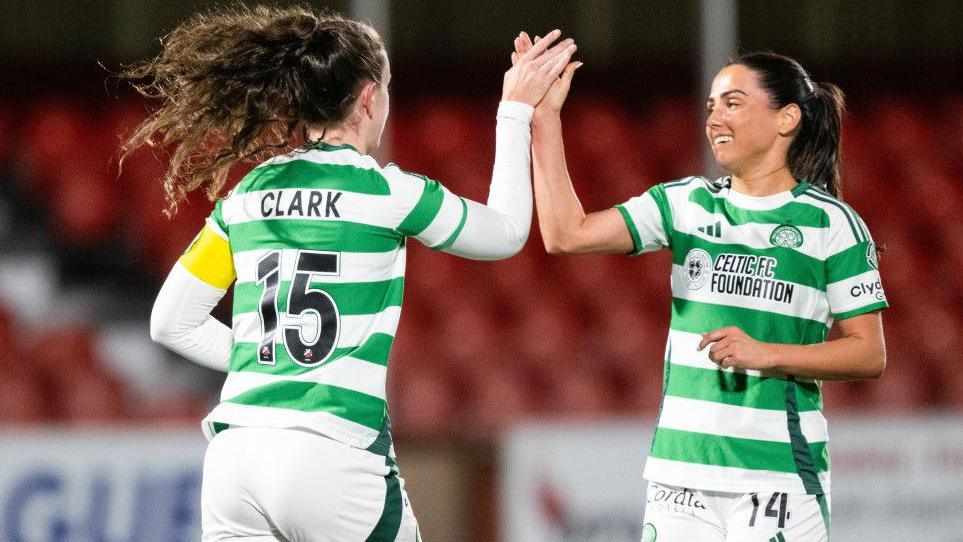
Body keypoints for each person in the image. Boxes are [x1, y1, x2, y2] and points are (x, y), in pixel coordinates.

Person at [128, 5, 576, 540]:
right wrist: (514, 110)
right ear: (368, 97)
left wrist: (271, 367)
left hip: (236, 456)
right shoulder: (386, 191)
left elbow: (170, 323)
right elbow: (505, 232)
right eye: (386, 86)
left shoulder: (248, 193)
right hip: (329, 452)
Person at [516, 37, 887, 542]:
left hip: (776, 475)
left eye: (733, 103)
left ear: (787, 119)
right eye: (711, 106)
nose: (714, 118)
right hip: (678, 476)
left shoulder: (832, 224)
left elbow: (869, 354)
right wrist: (544, 119)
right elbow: (565, 233)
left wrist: (766, 353)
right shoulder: (686, 202)